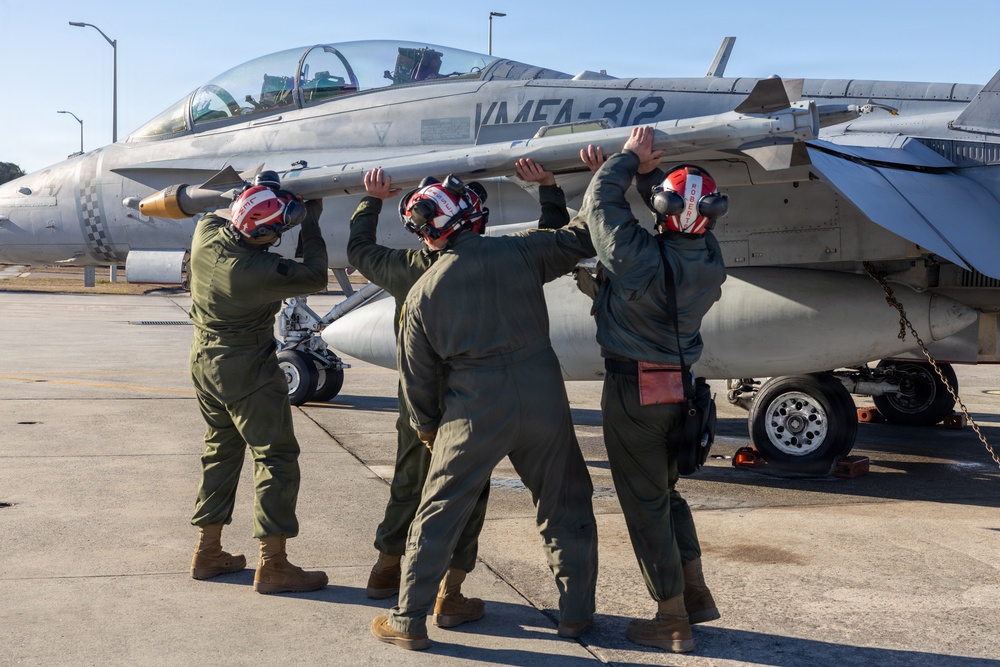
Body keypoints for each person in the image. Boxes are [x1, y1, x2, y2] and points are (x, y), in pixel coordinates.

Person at [371, 171, 598, 651]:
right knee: (565, 503)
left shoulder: (423, 293)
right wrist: (598, 174)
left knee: (439, 512)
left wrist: (431, 431)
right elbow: (581, 235)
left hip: (474, 408)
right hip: (542, 393)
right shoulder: (519, 251)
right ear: (472, 216)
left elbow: (417, 380)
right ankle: (575, 615)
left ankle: (409, 620)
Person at [579, 127, 728, 653]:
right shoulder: (710, 263)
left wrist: (623, 161)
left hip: (633, 391)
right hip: (677, 392)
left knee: (645, 505)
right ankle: (694, 592)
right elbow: (682, 218)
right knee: (666, 496)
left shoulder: (638, 257)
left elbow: (598, 204)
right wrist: (648, 176)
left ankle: (669, 619)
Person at [187, 171, 329, 595]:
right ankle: (274, 564)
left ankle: (207, 551)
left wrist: (257, 188)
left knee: (220, 452)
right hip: (247, 367)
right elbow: (316, 274)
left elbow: (215, 214)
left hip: (204, 363)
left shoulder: (206, 236)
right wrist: (312, 221)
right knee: (276, 457)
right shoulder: (258, 270)